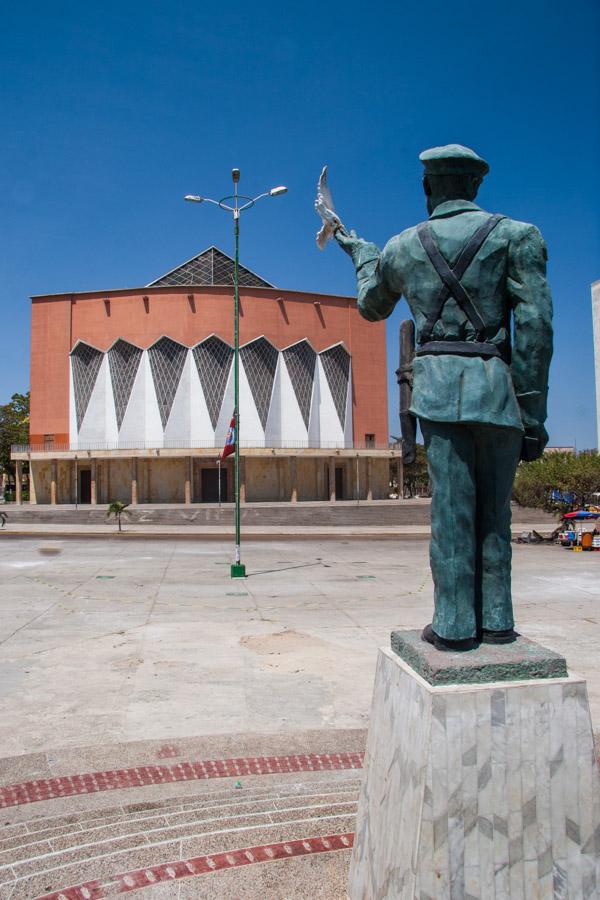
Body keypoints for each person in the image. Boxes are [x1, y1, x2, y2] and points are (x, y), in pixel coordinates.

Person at [331, 144, 553, 650]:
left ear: (427, 188)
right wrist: (533, 414)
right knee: (496, 512)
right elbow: (537, 328)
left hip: (436, 391)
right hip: (498, 393)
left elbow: (371, 307)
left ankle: (454, 624)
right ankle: (497, 620)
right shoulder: (518, 236)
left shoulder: (403, 247)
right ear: (475, 186)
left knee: (452, 510)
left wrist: (363, 255)